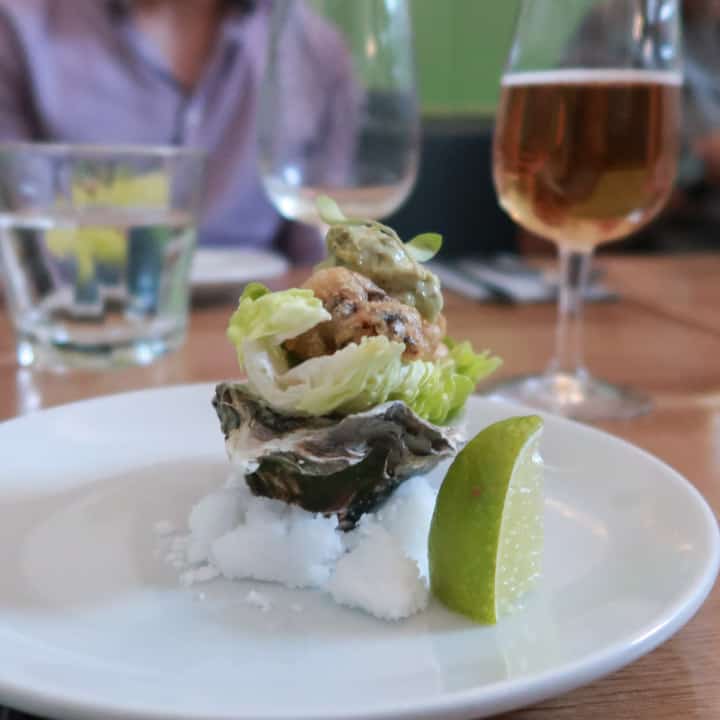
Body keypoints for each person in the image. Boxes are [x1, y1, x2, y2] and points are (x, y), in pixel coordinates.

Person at [0, 0, 351, 262]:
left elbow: (321, 259)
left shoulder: (316, 51)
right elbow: (14, 258)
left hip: (248, 338)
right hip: (79, 328)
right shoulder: (18, 27)